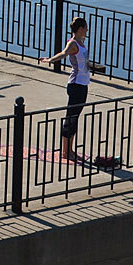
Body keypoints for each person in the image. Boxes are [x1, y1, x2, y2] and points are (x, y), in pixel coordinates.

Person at [40, 17, 91, 161]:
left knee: (75, 118)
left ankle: (71, 150)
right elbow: (63, 53)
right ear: (80, 29)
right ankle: (65, 151)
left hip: (83, 84)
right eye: (85, 27)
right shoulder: (73, 44)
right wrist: (50, 60)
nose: (87, 30)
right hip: (76, 85)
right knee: (70, 118)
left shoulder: (81, 42)